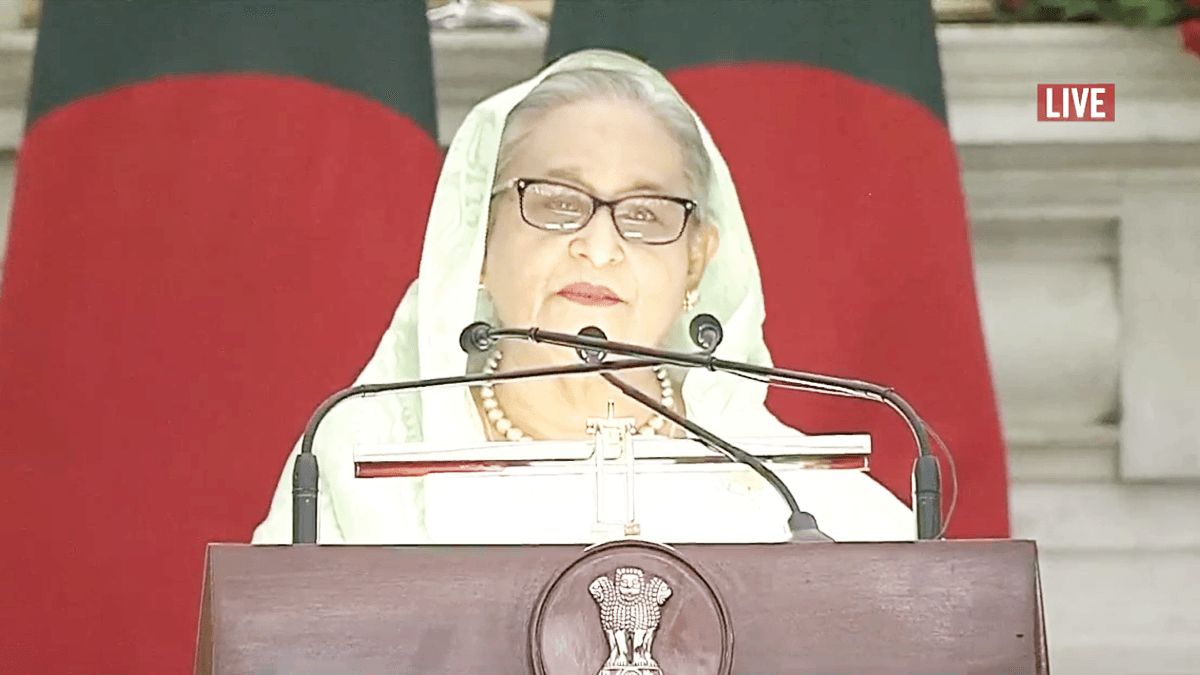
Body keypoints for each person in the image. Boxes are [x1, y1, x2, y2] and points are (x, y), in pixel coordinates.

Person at [251, 49, 914, 545]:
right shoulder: (364, 469)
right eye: (557, 203)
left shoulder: (803, 504)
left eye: (645, 214)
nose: (599, 247)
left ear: (695, 262)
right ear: (479, 242)